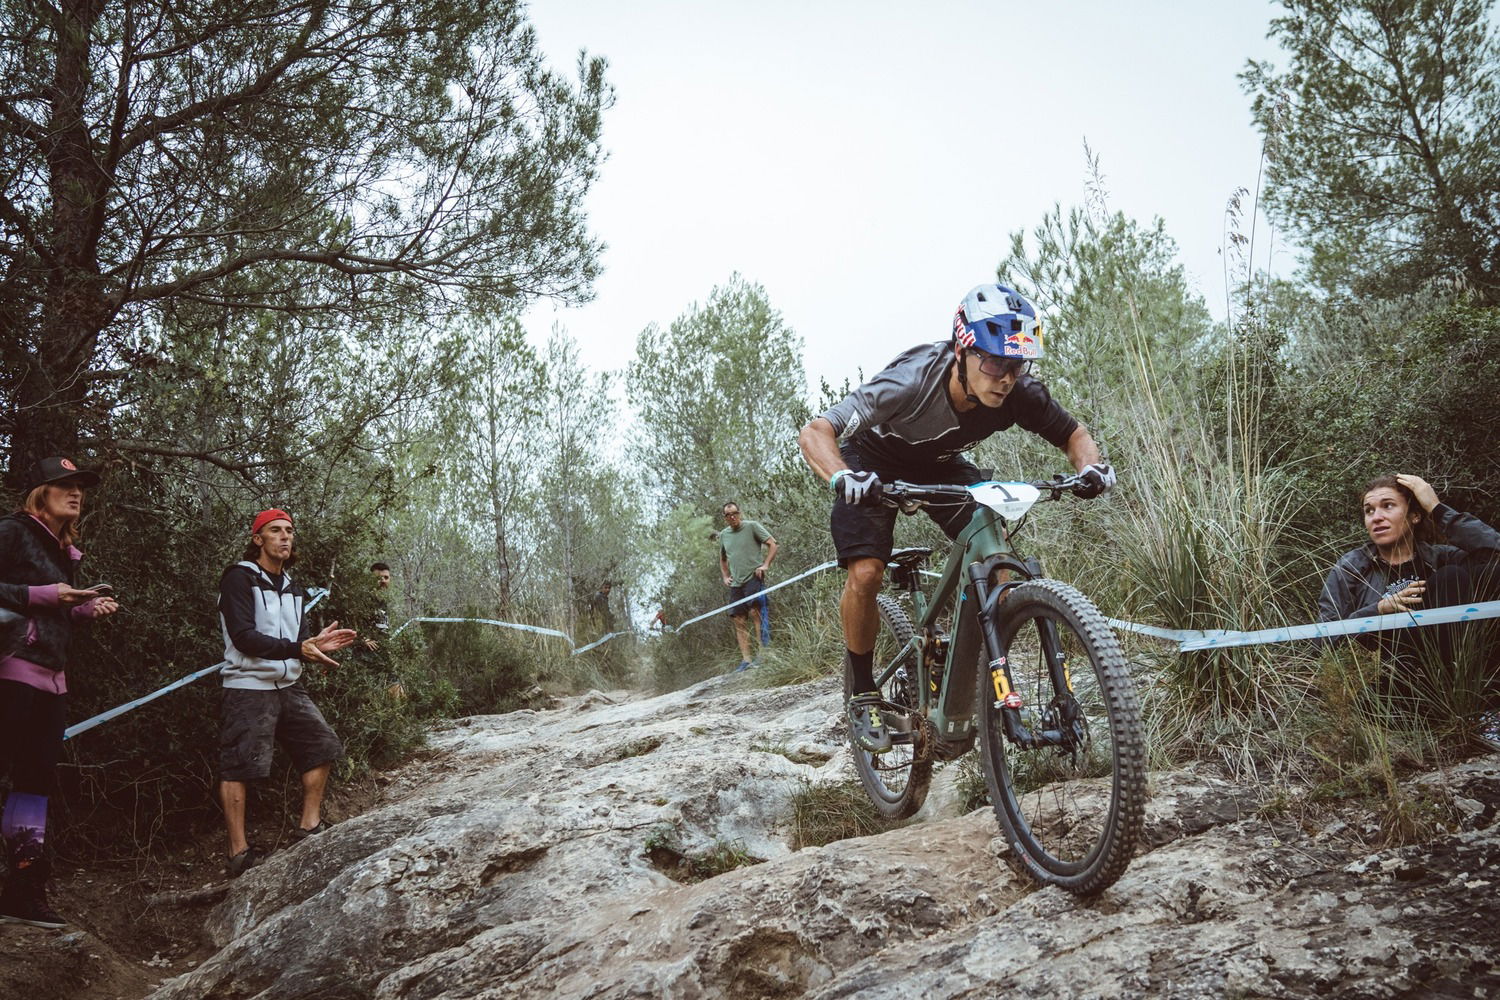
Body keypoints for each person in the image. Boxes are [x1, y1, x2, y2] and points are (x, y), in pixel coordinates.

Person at [797, 283, 1114, 753]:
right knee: (866, 572)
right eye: (992, 362)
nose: (1005, 377)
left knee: (997, 553)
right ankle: (863, 692)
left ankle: (980, 686)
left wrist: (1089, 467)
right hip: (871, 461)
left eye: (1015, 365)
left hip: (940, 463)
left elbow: (1074, 435)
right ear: (961, 352)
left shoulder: (1018, 393)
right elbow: (816, 431)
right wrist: (842, 477)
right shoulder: (911, 381)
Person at [0, 456, 119, 928]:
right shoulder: (13, 531)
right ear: (39, 493)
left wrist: (80, 610)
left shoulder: (62, 549)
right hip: (9, 670)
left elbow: (49, 611)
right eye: (64, 485)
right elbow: (29, 600)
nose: (76, 493)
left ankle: (22, 893)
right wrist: (46, 597)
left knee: (34, 786)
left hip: (52, 679)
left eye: (80, 487)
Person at [217, 509, 356, 877]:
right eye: (275, 531)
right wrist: (298, 649)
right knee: (239, 765)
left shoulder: (293, 587)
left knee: (322, 745)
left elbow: (299, 640)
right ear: (257, 539)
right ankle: (238, 853)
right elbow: (244, 637)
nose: (284, 537)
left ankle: (309, 826)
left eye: (289, 531)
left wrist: (318, 645)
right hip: (247, 686)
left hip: (289, 684)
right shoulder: (239, 578)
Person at [1318, 473, 1499, 668]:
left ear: (1415, 516)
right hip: (1385, 676)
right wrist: (1378, 610)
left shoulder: (1441, 559)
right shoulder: (1350, 568)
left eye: (1388, 506)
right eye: (1369, 511)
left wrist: (1436, 509)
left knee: (1450, 576)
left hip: (1451, 668)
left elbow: (1495, 561)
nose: (1376, 517)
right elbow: (1323, 642)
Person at [718, 502, 777, 671]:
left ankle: (763, 654)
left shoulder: (752, 527)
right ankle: (746, 660)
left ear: (739, 513)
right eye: (728, 515)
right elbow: (723, 559)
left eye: (735, 513)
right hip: (736, 583)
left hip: (753, 577)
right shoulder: (724, 535)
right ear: (725, 518)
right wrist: (725, 576)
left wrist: (765, 565)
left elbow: (773, 544)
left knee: (755, 613)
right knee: (738, 619)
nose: (732, 517)